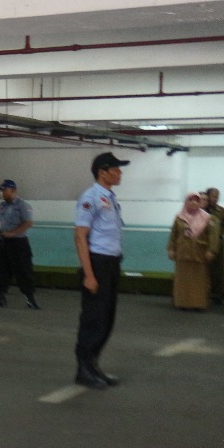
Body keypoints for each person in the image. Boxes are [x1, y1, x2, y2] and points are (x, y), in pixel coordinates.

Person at [73, 152, 128, 389]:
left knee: (106, 319)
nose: (120, 173)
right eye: (116, 169)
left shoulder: (110, 198)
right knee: (93, 319)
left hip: (111, 264)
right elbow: (80, 236)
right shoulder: (90, 198)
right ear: (102, 172)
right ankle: (83, 370)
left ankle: (93, 365)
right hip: (97, 264)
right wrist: (89, 274)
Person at [0, 179, 38, 309]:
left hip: (18, 244)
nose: (2, 193)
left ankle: (30, 299)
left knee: (23, 271)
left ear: (13, 190)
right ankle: (0, 297)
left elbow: (28, 223)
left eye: (4, 190)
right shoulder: (2, 206)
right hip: (3, 243)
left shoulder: (22, 205)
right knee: (1, 271)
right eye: (1, 191)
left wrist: (12, 233)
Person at [168, 192, 216, 311]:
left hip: (200, 253)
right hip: (182, 253)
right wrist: (171, 249)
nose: (193, 203)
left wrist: (211, 251)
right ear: (186, 202)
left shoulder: (207, 218)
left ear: (200, 203)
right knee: (182, 280)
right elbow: (174, 235)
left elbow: (212, 237)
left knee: (199, 280)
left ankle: (198, 304)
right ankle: (182, 303)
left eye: (196, 200)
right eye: (191, 200)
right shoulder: (179, 218)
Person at [205, 188, 224, 304]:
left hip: (219, 244)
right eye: (213, 196)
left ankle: (218, 295)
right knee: (204, 270)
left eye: (217, 197)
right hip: (203, 244)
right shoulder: (201, 210)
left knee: (219, 271)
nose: (215, 199)